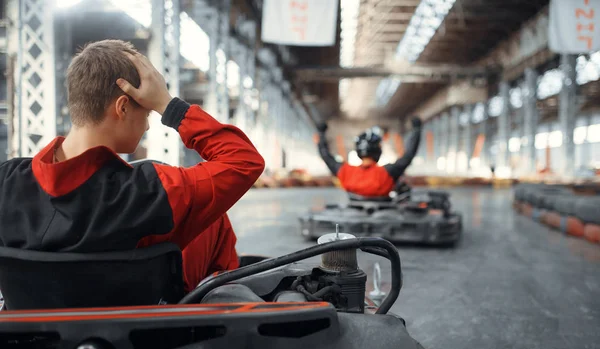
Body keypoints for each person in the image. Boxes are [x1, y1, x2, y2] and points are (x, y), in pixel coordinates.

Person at [0, 40, 265, 293]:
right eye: (147, 112)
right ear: (123, 107)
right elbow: (244, 161)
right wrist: (168, 105)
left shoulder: (7, 181)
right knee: (213, 218)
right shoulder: (153, 191)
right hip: (136, 330)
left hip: (29, 332)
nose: (148, 125)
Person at [315, 117, 422, 197]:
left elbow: (326, 156)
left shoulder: (346, 172)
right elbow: (408, 156)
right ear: (378, 151)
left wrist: (321, 133)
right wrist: (416, 131)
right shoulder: (387, 172)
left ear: (358, 151)